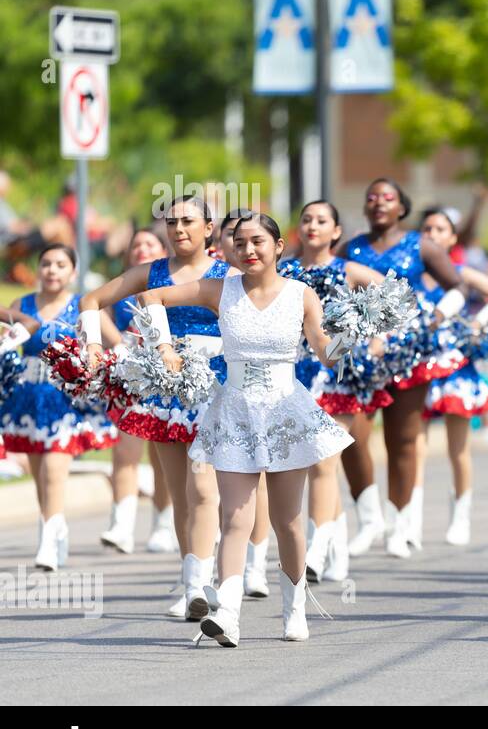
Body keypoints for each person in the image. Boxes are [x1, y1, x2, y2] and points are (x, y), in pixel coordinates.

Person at [138, 212, 352, 646]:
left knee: (287, 521)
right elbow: (151, 297)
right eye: (239, 243)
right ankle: (228, 616)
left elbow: (326, 351)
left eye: (258, 241)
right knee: (234, 517)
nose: (249, 250)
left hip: (285, 412)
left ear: (278, 247)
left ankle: (294, 608)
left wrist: (353, 337)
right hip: (234, 410)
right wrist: (164, 346)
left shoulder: (301, 294)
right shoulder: (219, 288)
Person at [81, 196, 228, 619]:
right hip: (165, 392)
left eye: (189, 221)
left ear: (208, 228)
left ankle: (213, 577)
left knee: (204, 489)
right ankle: (193, 584)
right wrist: (93, 342)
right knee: (182, 494)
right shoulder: (150, 273)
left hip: (215, 389)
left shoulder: (229, 274)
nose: (179, 229)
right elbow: (91, 299)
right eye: (172, 221)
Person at [339, 178, 464, 559]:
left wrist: (434, 318)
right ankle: (368, 518)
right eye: (372, 197)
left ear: (402, 208)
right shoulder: (351, 248)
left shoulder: (420, 245)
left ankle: (400, 524)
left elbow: (457, 287)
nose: (379, 203)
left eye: (387, 198)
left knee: (403, 440)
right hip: (360, 354)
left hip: (407, 353)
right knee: (351, 435)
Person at [281, 201, 388, 582]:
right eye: (306, 219)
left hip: (337, 371)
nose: (313, 226)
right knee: (313, 464)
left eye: (322, 221)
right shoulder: (285, 270)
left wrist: (371, 334)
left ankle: (316, 550)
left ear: (337, 231)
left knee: (324, 462)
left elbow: (394, 298)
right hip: (293, 373)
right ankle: (336, 550)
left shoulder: (349, 269)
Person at [1, 245, 119, 570]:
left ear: (73, 272)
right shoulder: (21, 305)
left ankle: (48, 543)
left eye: (60, 264)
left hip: (66, 401)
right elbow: (6, 344)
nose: (52, 270)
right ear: (38, 269)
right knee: (40, 474)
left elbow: (114, 343)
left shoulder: (81, 307)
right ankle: (54, 528)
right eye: (46, 263)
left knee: (54, 470)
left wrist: (96, 364)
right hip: (27, 399)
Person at [418, 207, 488, 546]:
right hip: (416, 367)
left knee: (457, 449)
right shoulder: (410, 273)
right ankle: (408, 523)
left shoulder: (461, 272)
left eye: (440, 229)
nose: (432, 234)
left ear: (453, 237)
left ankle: (461, 515)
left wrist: (480, 323)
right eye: (427, 228)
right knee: (413, 447)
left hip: (456, 368)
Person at [101, 227, 175, 555]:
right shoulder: (122, 285)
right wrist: (118, 343)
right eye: (136, 245)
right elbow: (93, 307)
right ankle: (122, 525)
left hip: (166, 377)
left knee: (162, 455)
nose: (142, 249)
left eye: (150, 243)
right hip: (129, 375)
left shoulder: (175, 283)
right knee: (125, 451)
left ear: (163, 249)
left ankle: (162, 523)